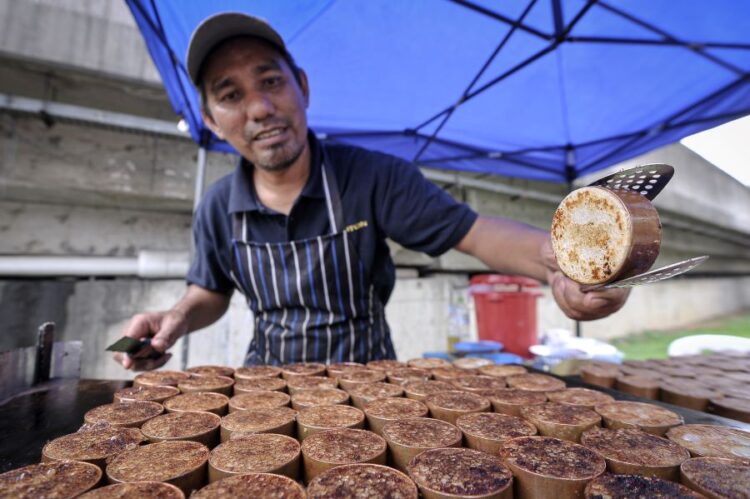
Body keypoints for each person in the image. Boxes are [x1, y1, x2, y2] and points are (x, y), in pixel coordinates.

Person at [114, 12, 629, 370]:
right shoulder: (217, 207)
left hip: (371, 388)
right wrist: (176, 318)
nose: (259, 109)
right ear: (211, 120)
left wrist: (561, 260)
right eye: (231, 95)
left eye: (271, 82)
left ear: (303, 87)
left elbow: (473, 234)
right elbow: (210, 291)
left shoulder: (373, 177)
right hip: (266, 389)